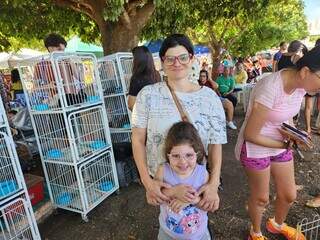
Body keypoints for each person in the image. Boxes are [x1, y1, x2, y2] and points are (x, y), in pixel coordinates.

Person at [132, 34, 226, 216]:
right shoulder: (148, 95)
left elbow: (216, 144)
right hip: (162, 183)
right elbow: (137, 140)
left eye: (183, 57)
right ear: (162, 61)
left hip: (197, 180)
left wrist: (213, 184)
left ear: (191, 58)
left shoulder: (209, 98)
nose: (177, 63)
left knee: (196, 224)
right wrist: (148, 182)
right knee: (169, 224)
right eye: (170, 58)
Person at [235, 45, 320, 240]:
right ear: (305, 72)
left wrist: (292, 133)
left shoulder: (300, 86)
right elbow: (250, 134)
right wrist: (284, 145)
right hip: (256, 146)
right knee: (261, 198)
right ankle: (255, 233)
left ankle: (276, 224)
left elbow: (285, 117)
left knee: (289, 194)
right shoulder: (270, 87)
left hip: (279, 143)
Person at [156, 121, 211, 240]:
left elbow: (209, 205)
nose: (183, 162)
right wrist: (174, 192)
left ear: (197, 153)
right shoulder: (162, 171)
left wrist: (191, 200)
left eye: (189, 155)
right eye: (176, 156)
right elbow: (154, 197)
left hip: (199, 235)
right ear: (168, 155)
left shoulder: (203, 174)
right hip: (168, 234)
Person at [128, 46, 161, 111]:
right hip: (158, 113)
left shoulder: (136, 78)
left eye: (133, 58)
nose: (132, 61)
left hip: (144, 117)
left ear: (137, 60)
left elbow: (131, 105)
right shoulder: (157, 74)